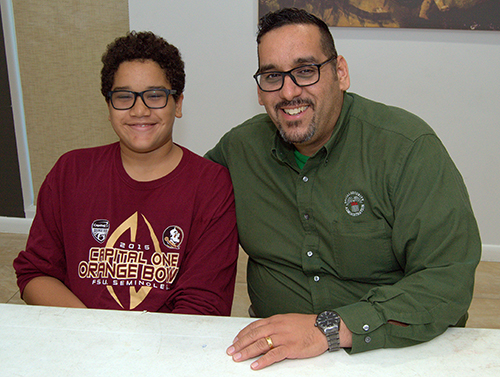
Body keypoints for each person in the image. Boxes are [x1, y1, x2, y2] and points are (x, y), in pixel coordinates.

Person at [205, 7, 481, 370]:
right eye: (272, 76)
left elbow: (447, 280)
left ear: (341, 73)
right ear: (259, 91)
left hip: (394, 350)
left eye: (305, 71)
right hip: (274, 357)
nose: (289, 92)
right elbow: (177, 196)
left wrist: (328, 329)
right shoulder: (240, 150)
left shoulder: (407, 147)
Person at [14, 31, 239, 315]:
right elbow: (35, 273)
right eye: (124, 97)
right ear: (108, 106)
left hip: (166, 349)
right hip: (80, 339)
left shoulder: (211, 185)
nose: (139, 110)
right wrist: (95, 331)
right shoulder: (70, 172)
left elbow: (204, 305)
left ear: (178, 104)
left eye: (155, 96)